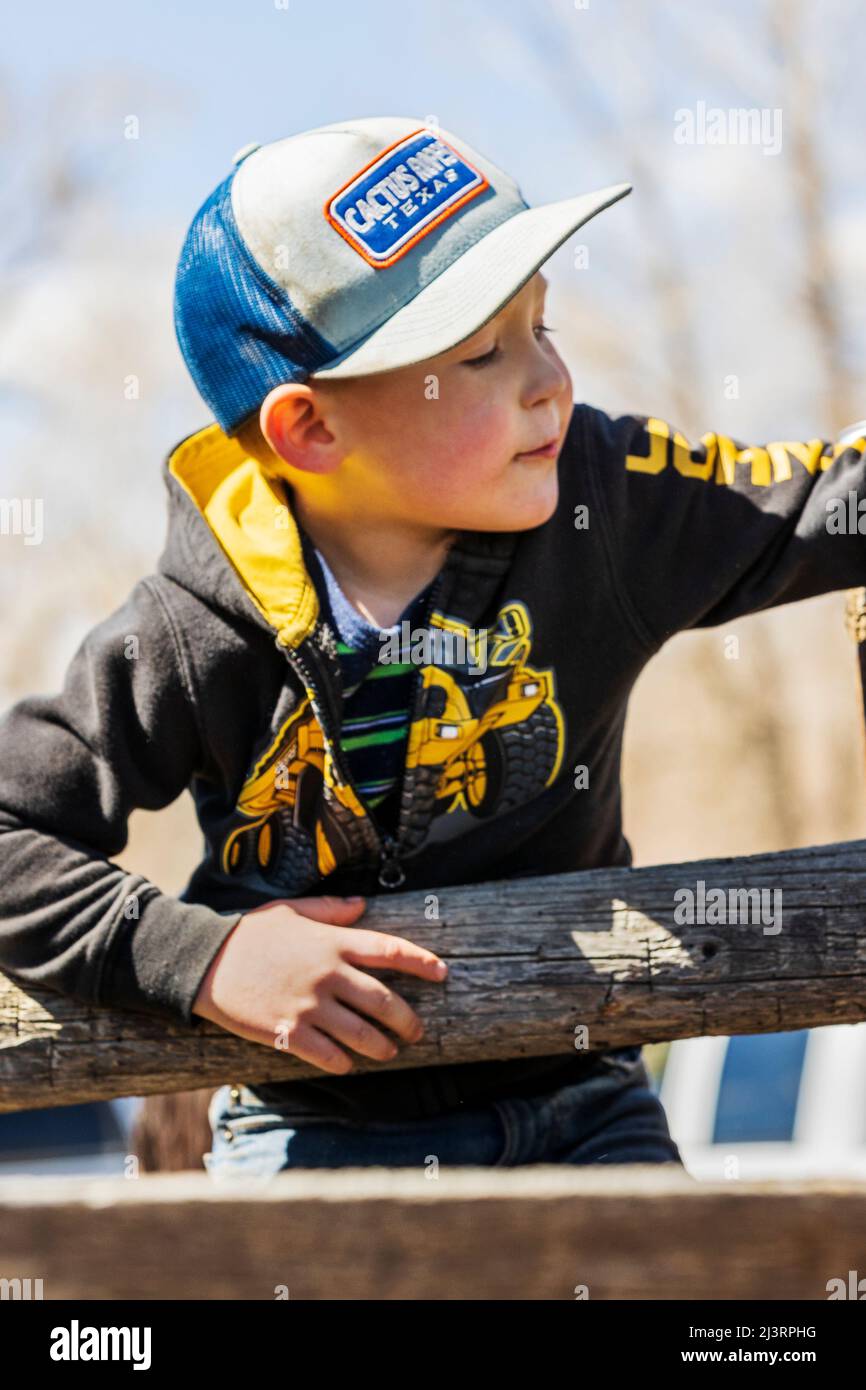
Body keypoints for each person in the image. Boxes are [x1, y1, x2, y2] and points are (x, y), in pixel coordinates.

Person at [1, 117, 863, 1179]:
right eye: (479, 352)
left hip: (579, 1093)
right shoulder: (191, 632)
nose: (550, 379)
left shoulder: (606, 504)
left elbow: (827, 499)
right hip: (315, 1123)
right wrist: (202, 954)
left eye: (541, 324)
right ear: (309, 431)